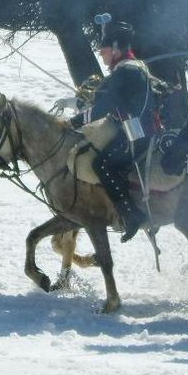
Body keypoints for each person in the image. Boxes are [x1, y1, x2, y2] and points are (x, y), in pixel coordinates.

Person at [71, 16, 159, 242]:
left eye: (104, 50)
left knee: (101, 164)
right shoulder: (134, 67)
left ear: (117, 48)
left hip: (137, 132)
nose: (102, 55)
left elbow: (104, 107)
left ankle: (131, 214)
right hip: (142, 127)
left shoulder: (125, 71)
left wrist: (75, 122)